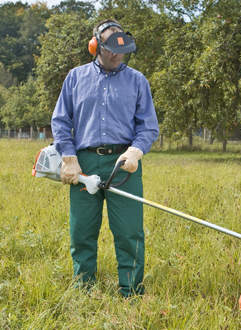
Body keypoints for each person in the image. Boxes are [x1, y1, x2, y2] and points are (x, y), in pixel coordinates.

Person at [51, 19, 159, 297]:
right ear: (95, 46)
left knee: (129, 231)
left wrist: (136, 151)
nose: (116, 55)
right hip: (84, 162)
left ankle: (131, 291)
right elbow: (61, 120)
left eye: (121, 50)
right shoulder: (75, 78)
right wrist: (68, 157)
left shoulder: (137, 80)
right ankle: (84, 288)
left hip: (124, 165)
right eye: (110, 49)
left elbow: (148, 126)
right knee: (82, 231)